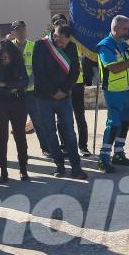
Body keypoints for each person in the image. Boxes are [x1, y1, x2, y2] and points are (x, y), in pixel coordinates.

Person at [32, 25, 88, 179]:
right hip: (44, 97)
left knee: (69, 133)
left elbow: (75, 71)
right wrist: (52, 91)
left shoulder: (71, 46)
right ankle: (59, 166)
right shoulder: (41, 45)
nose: (62, 45)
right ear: (54, 35)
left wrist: (63, 90)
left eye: (65, 42)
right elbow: (38, 72)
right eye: (60, 41)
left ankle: (76, 167)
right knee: (50, 133)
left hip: (64, 97)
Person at [97, 15, 129, 173]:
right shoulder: (105, 45)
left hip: (126, 91)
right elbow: (115, 68)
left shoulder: (123, 45)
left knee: (124, 123)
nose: (127, 31)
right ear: (116, 28)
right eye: (125, 28)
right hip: (113, 91)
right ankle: (103, 157)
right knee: (114, 123)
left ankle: (119, 153)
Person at [0, 40, 30, 182]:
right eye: (2, 56)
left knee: (20, 136)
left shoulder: (18, 63)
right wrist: (12, 88)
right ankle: (3, 170)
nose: (5, 58)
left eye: (8, 55)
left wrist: (6, 84)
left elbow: (24, 82)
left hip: (18, 103)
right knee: (0, 137)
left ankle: (23, 169)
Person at [52, 14, 91, 157]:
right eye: (56, 23)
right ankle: (65, 146)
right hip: (61, 86)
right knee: (61, 119)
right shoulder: (51, 44)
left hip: (77, 83)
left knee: (80, 116)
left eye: (62, 22)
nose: (60, 24)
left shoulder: (76, 41)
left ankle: (83, 146)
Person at [10, 20, 50, 157]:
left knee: (38, 121)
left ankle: (45, 148)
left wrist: (27, 84)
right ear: (13, 32)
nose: (21, 33)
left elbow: (38, 68)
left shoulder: (34, 46)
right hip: (16, 93)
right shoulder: (9, 48)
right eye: (18, 30)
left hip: (32, 91)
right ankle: (23, 151)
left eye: (23, 29)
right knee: (18, 124)